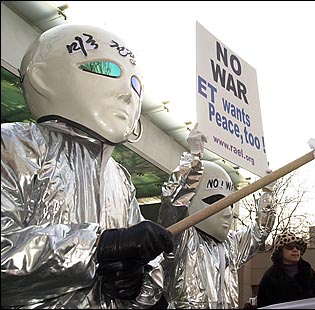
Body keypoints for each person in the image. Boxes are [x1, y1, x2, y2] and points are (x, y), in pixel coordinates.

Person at [1, 24, 174, 308]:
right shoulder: (12, 146)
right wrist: (96, 248)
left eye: (136, 83)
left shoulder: (118, 177)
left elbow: (149, 275)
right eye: (106, 70)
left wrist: (138, 283)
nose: (128, 94)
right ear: (43, 78)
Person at [157, 126, 276, 309]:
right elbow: (174, 204)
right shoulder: (183, 240)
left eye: (230, 204)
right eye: (215, 201)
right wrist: (193, 159)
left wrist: (267, 193)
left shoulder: (231, 245)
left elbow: (260, 231)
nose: (227, 212)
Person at [256, 231, 315, 308]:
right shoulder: (269, 278)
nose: (295, 250)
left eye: (298, 247)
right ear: (280, 250)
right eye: (290, 246)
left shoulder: (311, 275)